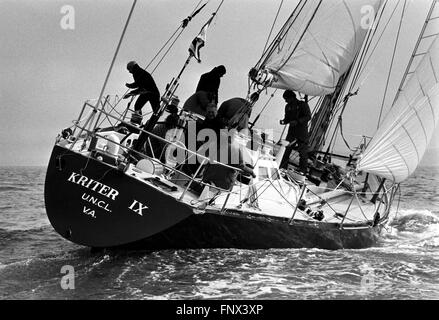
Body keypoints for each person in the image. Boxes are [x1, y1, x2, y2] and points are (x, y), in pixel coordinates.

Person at [279, 90, 311, 173]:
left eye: (286, 99)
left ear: (292, 98)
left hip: (302, 133)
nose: (285, 101)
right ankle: (282, 168)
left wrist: (297, 121)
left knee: (303, 153)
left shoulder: (302, 105)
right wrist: (283, 121)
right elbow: (287, 119)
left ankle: (302, 172)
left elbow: (308, 116)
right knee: (286, 150)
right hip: (291, 132)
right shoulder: (287, 107)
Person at [124, 61, 161, 125]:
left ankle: (158, 124)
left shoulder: (137, 72)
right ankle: (138, 122)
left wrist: (130, 92)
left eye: (129, 69)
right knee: (138, 106)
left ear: (131, 67)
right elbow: (139, 84)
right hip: (147, 93)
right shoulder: (138, 71)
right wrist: (130, 89)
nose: (129, 72)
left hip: (152, 93)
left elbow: (139, 85)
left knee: (156, 110)